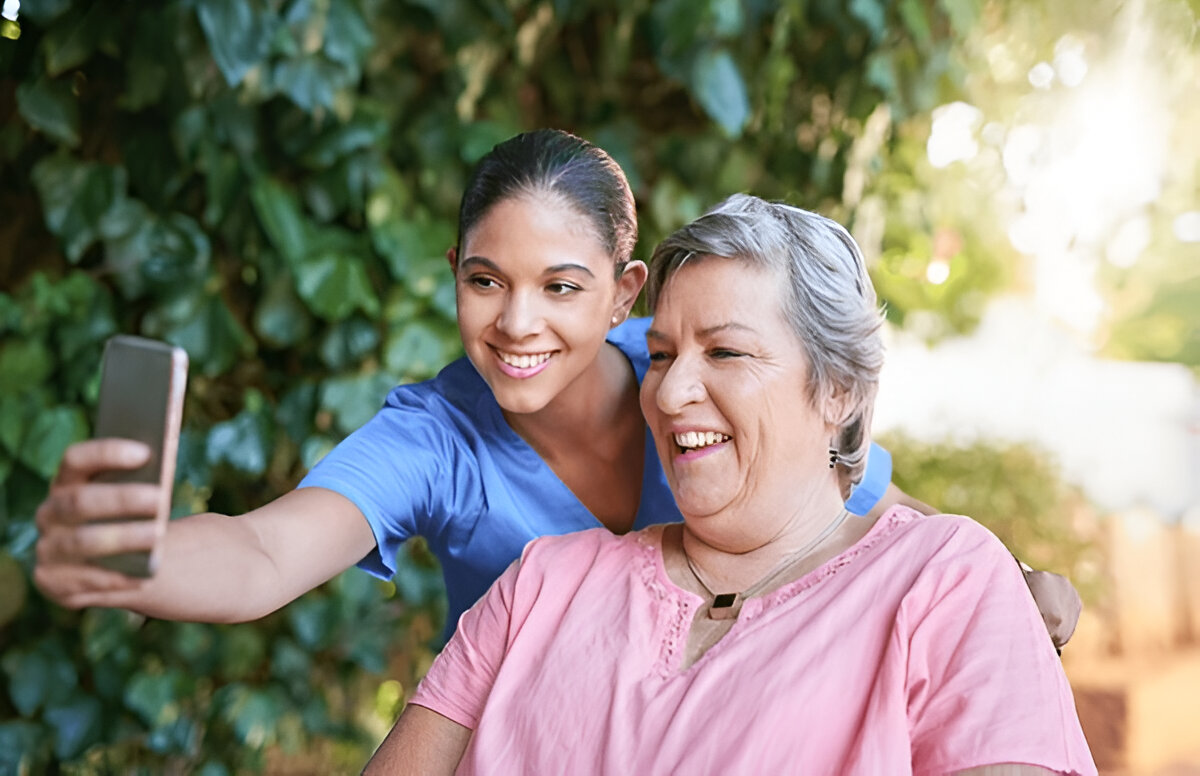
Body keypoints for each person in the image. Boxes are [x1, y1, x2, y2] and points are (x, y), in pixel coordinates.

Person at [33, 130, 1075, 647]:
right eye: (485, 281)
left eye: (561, 287)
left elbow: (875, 515)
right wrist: (143, 555)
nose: (517, 324)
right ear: (454, 274)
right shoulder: (438, 436)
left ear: (624, 291)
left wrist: (1017, 589)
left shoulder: (698, 385)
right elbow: (266, 549)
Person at [364, 196, 1096, 775]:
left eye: (726, 351)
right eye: (660, 354)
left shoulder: (947, 582)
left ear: (839, 388)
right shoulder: (542, 585)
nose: (672, 391)